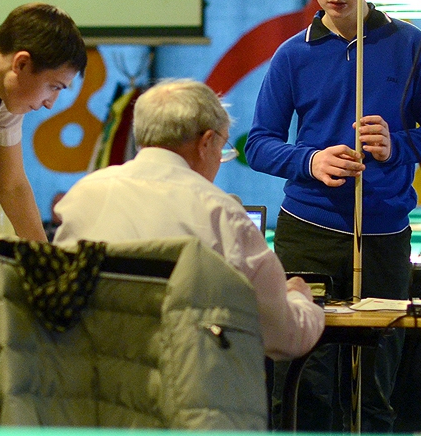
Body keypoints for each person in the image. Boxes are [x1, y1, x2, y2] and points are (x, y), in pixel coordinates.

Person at [245, 0, 421, 433]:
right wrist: (309, 160)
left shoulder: (411, 47)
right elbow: (258, 145)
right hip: (308, 234)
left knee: (374, 388)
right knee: (302, 383)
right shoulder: (291, 56)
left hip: (383, 236)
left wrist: (397, 145)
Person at [53, 79, 325, 361]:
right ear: (206, 142)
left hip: (90, 373)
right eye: (222, 148)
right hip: (183, 379)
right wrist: (300, 299)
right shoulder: (221, 214)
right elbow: (284, 336)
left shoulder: (82, 195)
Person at [0, 3, 87, 241]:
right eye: (53, 87)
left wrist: (43, 256)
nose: (50, 103)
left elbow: (13, 185)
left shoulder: (6, 90)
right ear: (21, 64)